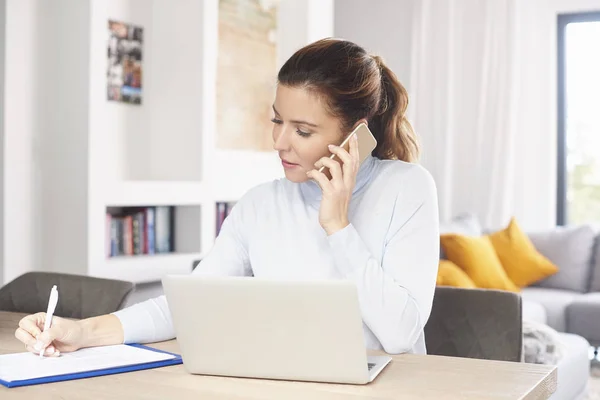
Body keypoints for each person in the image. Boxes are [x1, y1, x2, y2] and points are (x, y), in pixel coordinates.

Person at [15, 38, 439, 357]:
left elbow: (400, 335)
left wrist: (337, 226)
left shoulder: (407, 189)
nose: (279, 141)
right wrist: (82, 332)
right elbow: (190, 304)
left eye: (303, 131)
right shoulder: (259, 205)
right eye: (277, 120)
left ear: (355, 133)